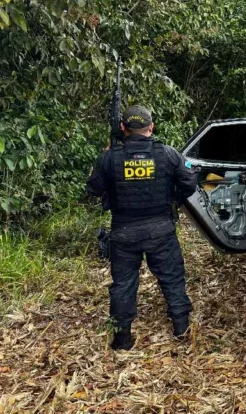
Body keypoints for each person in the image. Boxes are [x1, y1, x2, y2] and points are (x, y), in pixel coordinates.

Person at [86, 105, 197, 350]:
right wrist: (174, 202)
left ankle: (122, 340)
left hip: (124, 232)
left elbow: (93, 189)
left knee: (123, 285)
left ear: (123, 128)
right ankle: (182, 330)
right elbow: (190, 182)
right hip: (161, 229)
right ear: (151, 127)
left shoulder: (109, 158)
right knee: (172, 278)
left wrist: (106, 156)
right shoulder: (168, 153)